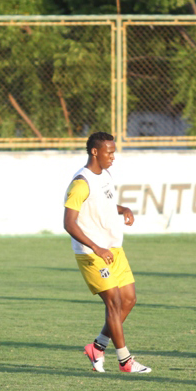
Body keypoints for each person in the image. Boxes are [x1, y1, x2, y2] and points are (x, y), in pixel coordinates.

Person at [63, 132, 151, 373]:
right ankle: (125, 361)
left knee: (129, 299)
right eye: (109, 152)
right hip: (92, 253)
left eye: (114, 151)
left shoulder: (106, 175)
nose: (113, 156)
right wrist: (96, 248)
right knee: (114, 301)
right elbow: (69, 223)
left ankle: (97, 347)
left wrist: (125, 209)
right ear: (95, 152)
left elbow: (106, 205)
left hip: (113, 248)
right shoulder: (81, 183)